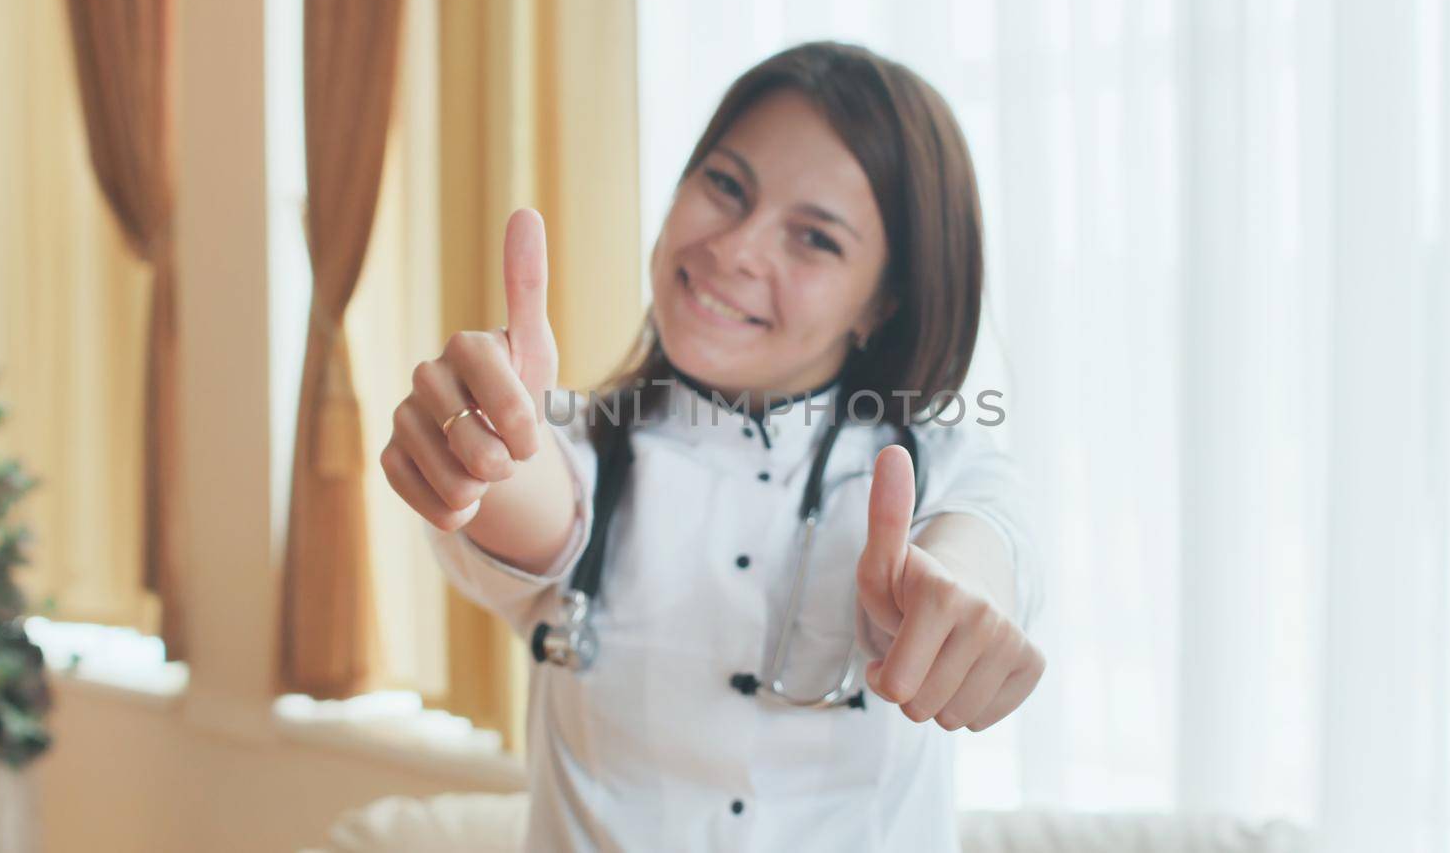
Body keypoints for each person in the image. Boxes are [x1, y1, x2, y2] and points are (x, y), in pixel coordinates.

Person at [381, 41, 1045, 852]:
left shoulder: (944, 468)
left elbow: (983, 541)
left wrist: (954, 593)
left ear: (885, 301)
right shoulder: (586, 451)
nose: (735, 248)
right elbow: (531, 497)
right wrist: (482, 448)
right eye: (726, 186)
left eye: (816, 239)